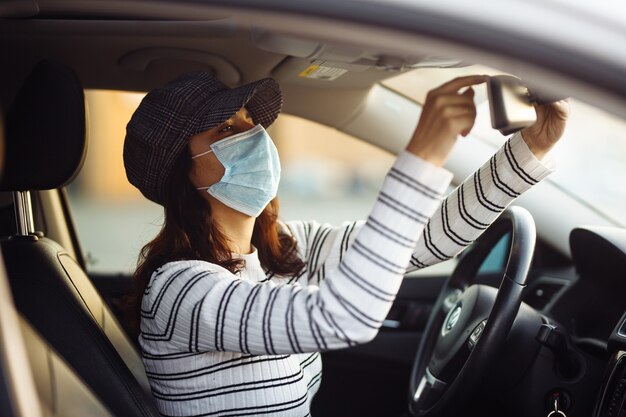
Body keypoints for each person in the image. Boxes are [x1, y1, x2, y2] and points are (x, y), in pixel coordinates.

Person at [123, 71, 567, 416]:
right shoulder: (178, 290)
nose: (253, 135)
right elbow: (342, 319)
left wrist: (531, 148)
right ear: (184, 172)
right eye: (224, 128)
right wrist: (422, 158)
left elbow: (423, 239)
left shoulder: (286, 249)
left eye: (249, 121)